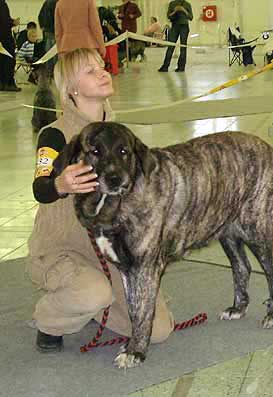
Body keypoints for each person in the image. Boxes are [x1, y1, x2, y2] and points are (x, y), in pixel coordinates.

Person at [28, 48, 174, 353]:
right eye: (90, 71)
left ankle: (95, 301)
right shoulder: (54, 135)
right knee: (93, 293)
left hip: (109, 253)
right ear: (72, 88)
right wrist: (60, 183)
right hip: (62, 250)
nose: (103, 72)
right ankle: (50, 320)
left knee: (159, 330)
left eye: (102, 66)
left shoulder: (120, 134)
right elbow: (40, 188)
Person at [158, 0, 193, 72]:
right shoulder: (172, 3)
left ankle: (181, 67)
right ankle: (165, 66)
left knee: (183, 47)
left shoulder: (187, 4)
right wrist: (175, 11)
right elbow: (168, 16)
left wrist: (184, 10)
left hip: (184, 27)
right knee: (170, 46)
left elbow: (191, 17)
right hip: (174, 26)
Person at [0, 0, 21, 91]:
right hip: (5, 38)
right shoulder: (2, 4)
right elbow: (4, 21)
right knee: (8, 60)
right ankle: (8, 83)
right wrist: (13, 22)